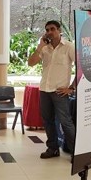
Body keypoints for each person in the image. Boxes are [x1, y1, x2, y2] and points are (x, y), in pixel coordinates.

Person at [27, 20, 76, 159]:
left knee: (66, 122)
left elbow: (81, 68)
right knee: (47, 121)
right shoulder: (44, 48)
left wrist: (71, 88)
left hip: (59, 91)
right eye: (47, 29)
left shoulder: (69, 47)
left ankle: (75, 153)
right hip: (44, 90)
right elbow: (31, 63)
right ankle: (53, 148)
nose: (49, 32)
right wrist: (39, 47)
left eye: (52, 29)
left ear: (59, 30)